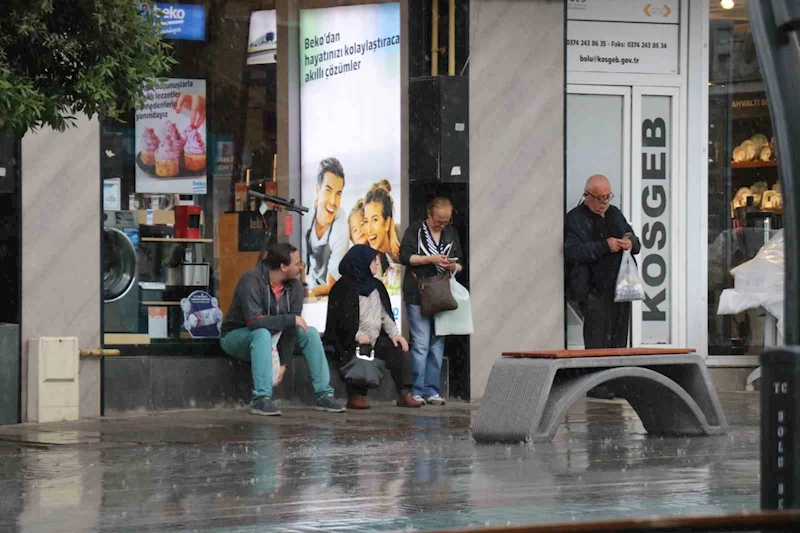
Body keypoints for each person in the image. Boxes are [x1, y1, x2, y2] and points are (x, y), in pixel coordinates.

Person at [220, 242, 346, 416]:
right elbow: (254, 322)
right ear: (283, 266)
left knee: (309, 333)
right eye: (297, 264)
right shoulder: (251, 280)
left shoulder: (294, 286)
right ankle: (261, 398)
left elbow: (291, 328)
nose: (301, 267)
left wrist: (284, 364)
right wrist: (290, 319)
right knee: (262, 333)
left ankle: (324, 394)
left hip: (275, 339)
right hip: (237, 337)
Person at [323, 245, 422, 409]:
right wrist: (357, 335)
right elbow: (340, 321)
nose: (377, 264)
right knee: (358, 350)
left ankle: (404, 393)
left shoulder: (376, 286)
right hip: (349, 339)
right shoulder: (343, 287)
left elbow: (385, 315)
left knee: (398, 348)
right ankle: (355, 395)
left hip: (375, 337)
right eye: (374, 260)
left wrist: (395, 334)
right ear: (361, 261)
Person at [399, 197, 464, 405]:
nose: (442, 225)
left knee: (437, 343)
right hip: (418, 292)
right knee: (420, 343)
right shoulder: (416, 230)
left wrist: (452, 266)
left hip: (441, 293)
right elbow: (405, 257)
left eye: (446, 221)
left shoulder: (450, 233)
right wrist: (431, 259)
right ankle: (416, 390)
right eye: (438, 220)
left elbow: (460, 263)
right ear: (429, 214)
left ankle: (431, 390)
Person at [565, 174, 641, 350]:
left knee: (619, 341)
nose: (604, 202)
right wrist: (604, 246)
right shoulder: (575, 219)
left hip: (620, 288)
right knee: (597, 342)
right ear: (587, 196)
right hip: (592, 291)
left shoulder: (614, 213)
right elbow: (572, 252)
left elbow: (635, 241)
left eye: (608, 197)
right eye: (599, 198)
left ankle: (617, 375)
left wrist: (630, 242)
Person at [306, 158, 350, 297]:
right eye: (328, 191)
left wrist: (307, 294)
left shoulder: (340, 222)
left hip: (332, 294)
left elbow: (332, 285)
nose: (333, 201)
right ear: (318, 190)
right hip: (309, 287)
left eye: (338, 193)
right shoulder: (305, 215)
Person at [364, 180, 401, 265]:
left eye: (375, 220)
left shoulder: (403, 237)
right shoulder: (377, 255)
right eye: (366, 221)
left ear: (387, 223)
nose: (369, 229)